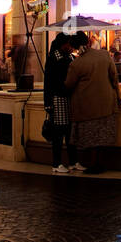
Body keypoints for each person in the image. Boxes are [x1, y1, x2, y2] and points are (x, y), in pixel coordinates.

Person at [64, 31, 121, 174]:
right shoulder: (104, 55)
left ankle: (93, 164)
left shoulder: (76, 64)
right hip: (107, 103)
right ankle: (100, 163)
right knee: (102, 135)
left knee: (91, 137)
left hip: (87, 106)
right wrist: (118, 97)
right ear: (88, 42)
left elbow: (68, 85)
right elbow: (114, 78)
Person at [43, 33, 77, 173]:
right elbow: (48, 82)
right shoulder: (53, 59)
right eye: (68, 44)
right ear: (62, 44)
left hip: (69, 98)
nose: (70, 47)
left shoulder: (70, 57)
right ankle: (56, 163)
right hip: (58, 99)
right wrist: (48, 103)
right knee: (59, 133)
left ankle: (73, 161)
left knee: (70, 132)